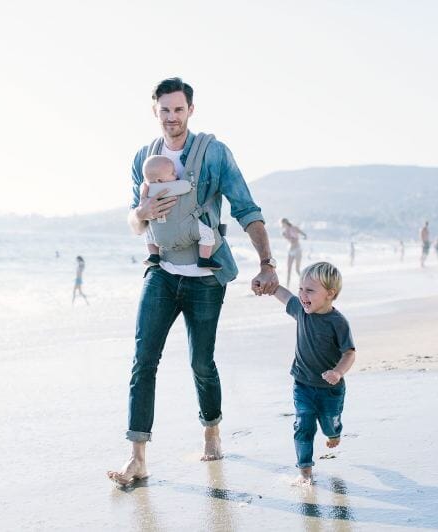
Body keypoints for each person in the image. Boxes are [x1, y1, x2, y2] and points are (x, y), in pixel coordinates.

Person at [107, 77, 278, 487]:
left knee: (202, 363)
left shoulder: (214, 154)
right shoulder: (142, 158)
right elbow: (134, 221)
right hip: (161, 272)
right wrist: (143, 210)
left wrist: (267, 262)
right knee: (142, 361)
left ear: (191, 111)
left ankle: (212, 429)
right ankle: (137, 458)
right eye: (164, 110)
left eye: (178, 109)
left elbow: (246, 207)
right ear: (155, 112)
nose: (171, 117)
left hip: (205, 278)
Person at [271, 262, 356, 486]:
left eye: (309, 290)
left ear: (330, 294)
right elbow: (284, 295)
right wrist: (270, 285)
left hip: (331, 389)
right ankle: (305, 471)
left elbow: (349, 353)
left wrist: (338, 372)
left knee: (330, 423)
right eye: (301, 288)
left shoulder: (338, 323)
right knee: (303, 423)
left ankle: (334, 432)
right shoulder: (300, 310)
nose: (302, 294)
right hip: (303, 384)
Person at [141, 154, 221, 270]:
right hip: (183, 229)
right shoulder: (178, 187)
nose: (176, 174)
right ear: (159, 180)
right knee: (207, 233)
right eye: (173, 173)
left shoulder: (145, 191)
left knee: (148, 231)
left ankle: (154, 255)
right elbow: (186, 186)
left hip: (159, 234)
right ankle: (204, 259)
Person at [281, 218, 307, 287]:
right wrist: (287, 237)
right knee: (288, 269)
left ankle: (305, 283)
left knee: (297, 269)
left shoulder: (294, 228)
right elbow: (291, 240)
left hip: (297, 250)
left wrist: (304, 236)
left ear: (285, 223)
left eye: (282, 223)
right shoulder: (284, 232)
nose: (282, 225)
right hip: (290, 250)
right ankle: (287, 286)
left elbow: (303, 234)